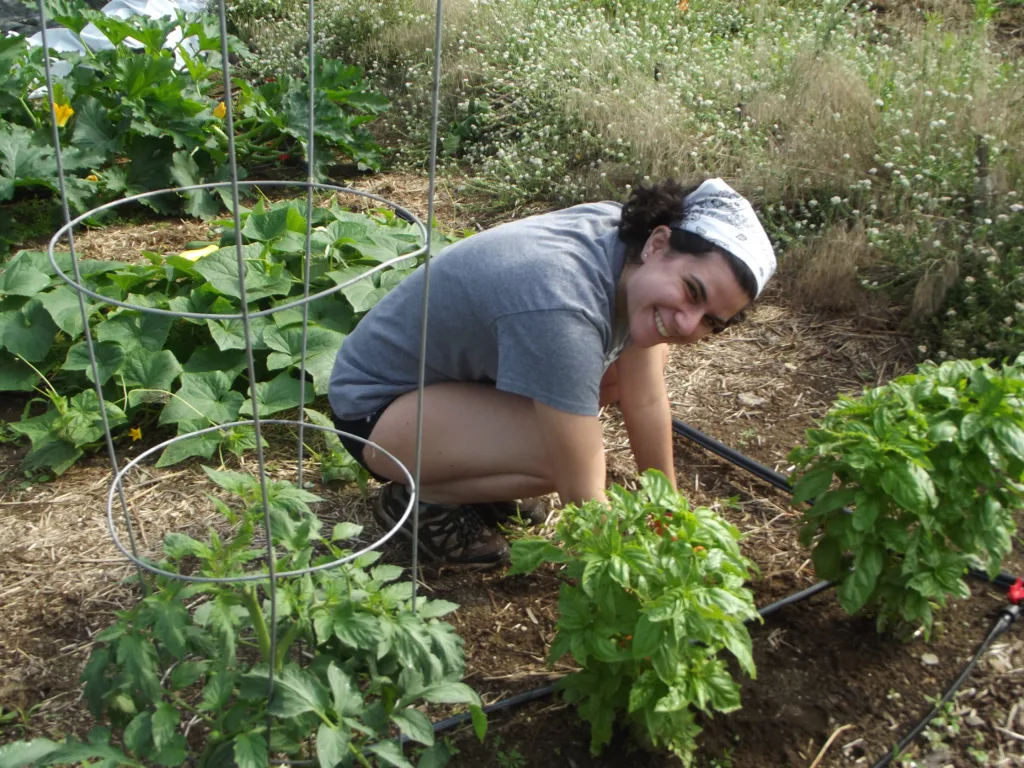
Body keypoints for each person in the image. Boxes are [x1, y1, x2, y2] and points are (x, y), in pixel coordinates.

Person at [327, 177, 776, 567]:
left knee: (644, 359)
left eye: (710, 322)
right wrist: (642, 573)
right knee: (561, 456)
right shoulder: (563, 304)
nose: (686, 324)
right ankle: (424, 499)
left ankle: (470, 470)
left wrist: (670, 514)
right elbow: (582, 490)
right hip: (376, 411)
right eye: (691, 291)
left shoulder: (627, 252)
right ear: (658, 243)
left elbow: (646, 398)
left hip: (452, 384)